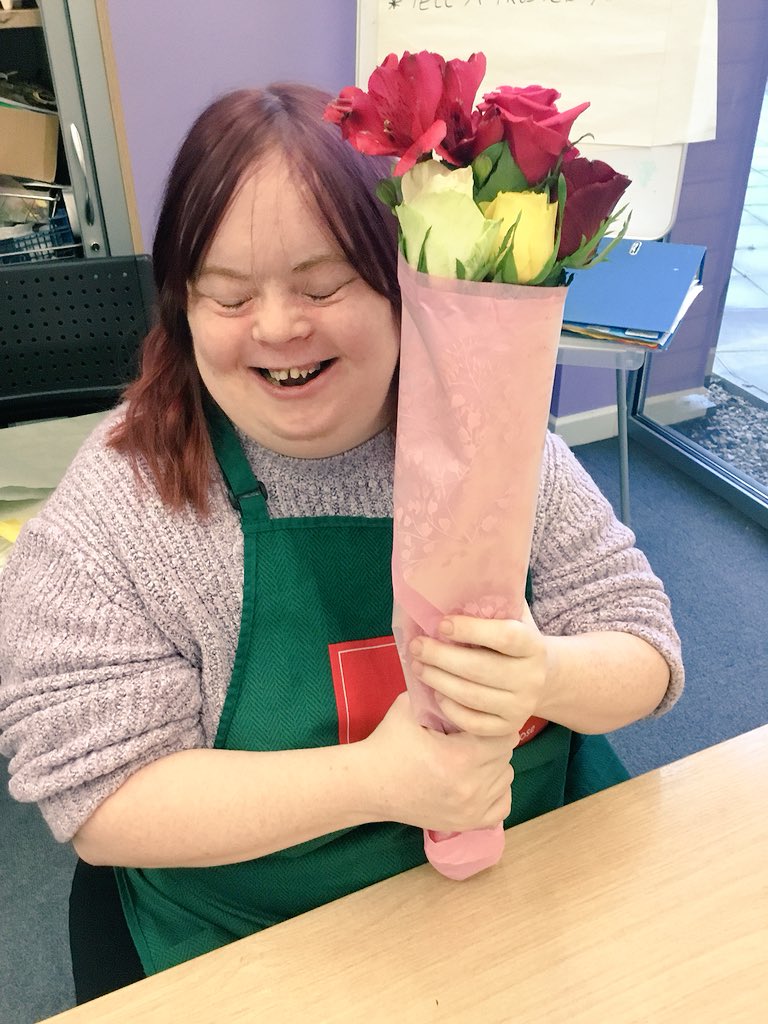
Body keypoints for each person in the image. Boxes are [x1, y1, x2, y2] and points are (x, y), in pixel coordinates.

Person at [0, 84, 683, 1003]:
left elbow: (646, 647)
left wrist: (545, 674)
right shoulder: (125, 504)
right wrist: (380, 780)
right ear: (183, 309)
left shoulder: (498, 438)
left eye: (322, 286)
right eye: (228, 298)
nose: (279, 328)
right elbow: (103, 801)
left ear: (406, 284)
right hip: (261, 941)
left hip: (527, 890)